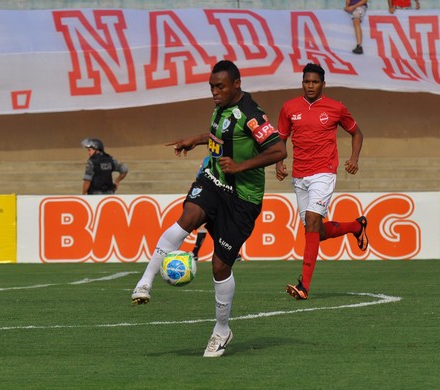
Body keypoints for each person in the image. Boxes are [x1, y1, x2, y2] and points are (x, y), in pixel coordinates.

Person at [131, 60, 287, 357]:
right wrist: (197, 140)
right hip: (215, 180)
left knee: (219, 266)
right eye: (212, 87)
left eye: (220, 87)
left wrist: (241, 166)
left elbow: (279, 150)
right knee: (188, 217)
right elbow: (219, 138)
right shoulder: (220, 108)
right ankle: (144, 283)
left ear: (236, 85)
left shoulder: (252, 115)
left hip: (243, 198)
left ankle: (221, 329)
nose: (214, 92)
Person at [275, 63, 368, 301]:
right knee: (315, 231)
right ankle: (356, 226)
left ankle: (303, 286)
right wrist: (279, 163)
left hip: (324, 172)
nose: (310, 86)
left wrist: (354, 158)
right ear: (302, 83)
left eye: (315, 82)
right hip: (299, 175)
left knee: (314, 221)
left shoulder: (336, 108)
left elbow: (357, 132)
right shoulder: (289, 108)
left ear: (323, 84)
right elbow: (281, 138)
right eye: (307, 81)